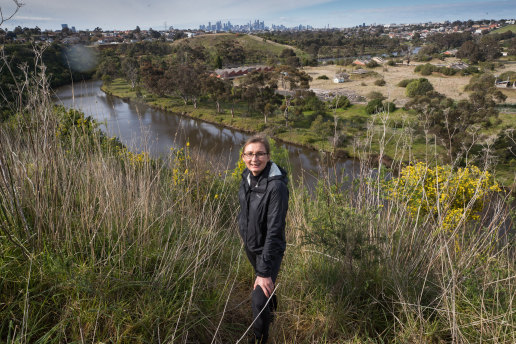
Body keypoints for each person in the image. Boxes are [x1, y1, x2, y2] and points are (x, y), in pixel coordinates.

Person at [238, 135, 289, 344]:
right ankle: (272, 312)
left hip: (269, 250)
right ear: (243, 157)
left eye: (260, 153)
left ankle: (259, 339)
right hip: (251, 247)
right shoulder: (247, 177)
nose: (254, 158)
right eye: (250, 154)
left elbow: (275, 231)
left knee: (258, 299)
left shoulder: (276, 187)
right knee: (266, 290)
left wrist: (264, 271)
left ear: (268, 156)